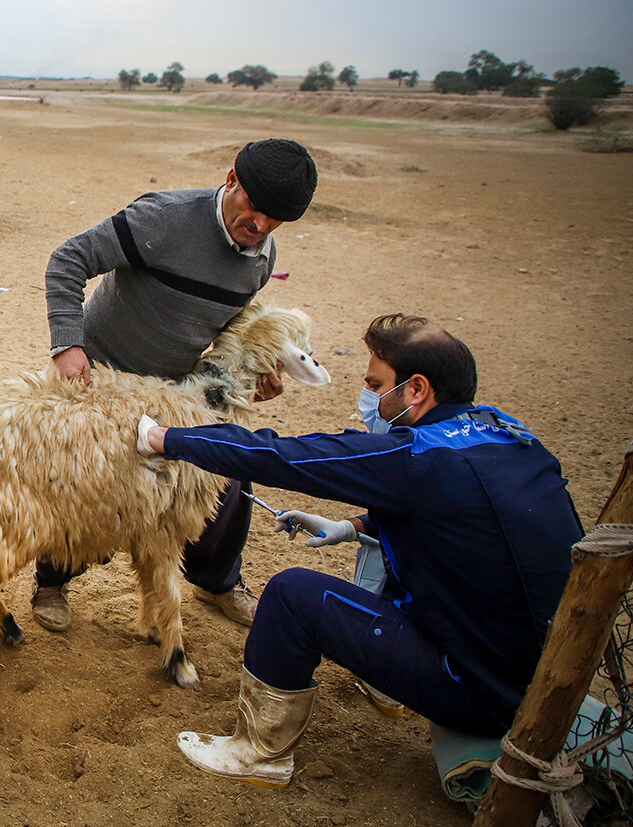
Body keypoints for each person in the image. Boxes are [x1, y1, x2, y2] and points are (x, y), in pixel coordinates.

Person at [135, 314, 583, 787]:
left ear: (415, 390)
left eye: (376, 383)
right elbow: (472, 515)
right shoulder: (512, 436)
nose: (370, 394)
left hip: (480, 694)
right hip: (547, 680)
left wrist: (168, 438)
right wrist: (352, 526)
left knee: (292, 595)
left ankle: (257, 753)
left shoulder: (414, 456)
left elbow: (285, 456)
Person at [35, 138, 319, 631]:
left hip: (175, 393)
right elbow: (69, 259)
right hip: (100, 376)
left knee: (224, 474)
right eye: (255, 207)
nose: (262, 225)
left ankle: (220, 582)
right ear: (232, 178)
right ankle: (53, 580)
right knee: (84, 482)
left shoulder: (261, 259)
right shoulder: (163, 218)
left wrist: (254, 377)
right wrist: (67, 344)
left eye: (276, 219)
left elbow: (228, 330)